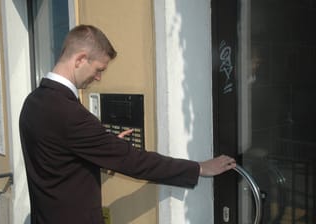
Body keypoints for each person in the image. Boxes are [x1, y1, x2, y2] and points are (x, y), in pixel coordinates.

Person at [19, 24, 236, 224]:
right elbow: (134, 162)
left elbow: (56, 159)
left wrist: (102, 146)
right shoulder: (69, 114)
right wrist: (198, 168)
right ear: (80, 59)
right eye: (99, 69)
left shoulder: (33, 102)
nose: (98, 78)